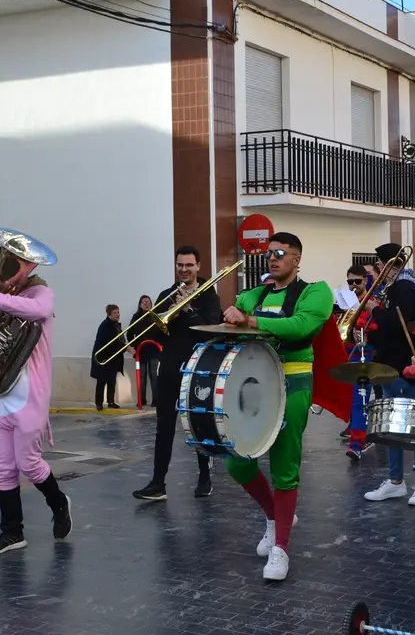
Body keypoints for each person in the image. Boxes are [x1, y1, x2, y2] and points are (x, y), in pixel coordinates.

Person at [221, 232, 334, 581]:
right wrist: (229, 316)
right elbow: (234, 326)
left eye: (281, 253)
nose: (273, 258)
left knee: (285, 466)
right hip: (254, 383)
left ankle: (281, 548)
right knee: (237, 461)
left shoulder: (316, 292)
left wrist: (251, 320)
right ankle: (275, 516)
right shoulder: (252, 295)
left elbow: (301, 327)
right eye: (269, 253)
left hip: (294, 380)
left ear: (297, 259)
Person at [0, 234, 72, 556]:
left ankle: (59, 503)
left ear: (29, 266)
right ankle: (12, 532)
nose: (6, 272)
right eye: (2, 265)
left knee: (29, 463)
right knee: (4, 468)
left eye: (13, 265)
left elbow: (39, 309)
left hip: (27, 395)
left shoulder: (40, 292)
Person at [133, 245, 221, 502]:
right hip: (170, 367)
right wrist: (164, 319)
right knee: (164, 427)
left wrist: (187, 310)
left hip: (196, 368)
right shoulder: (166, 294)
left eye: (189, 265)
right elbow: (152, 333)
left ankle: (204, 477)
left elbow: (211, 329)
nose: (184, 269)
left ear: (198, 267)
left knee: (198, 423)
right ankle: (157, 483)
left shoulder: (208, 294)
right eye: (180, 265)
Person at [364, 242, 415, 506]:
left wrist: (374, 309)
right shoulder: (397, 287)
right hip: (391, 365)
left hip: (405, 366)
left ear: (387, 264)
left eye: (380, 264)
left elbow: (395, 322)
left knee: (414, 428)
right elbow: (389, 330)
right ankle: (395, 482)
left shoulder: (404, 287)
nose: (379, 269)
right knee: (392, 427)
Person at [342, 264, 376, 460]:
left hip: (364, 354)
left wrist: (366, 334)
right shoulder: (344, 303)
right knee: (352, 400)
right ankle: (361, 436)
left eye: (357, 281)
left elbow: (378, 329)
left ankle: (357, 444)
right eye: (350, 282)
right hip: (347, 353)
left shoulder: (372, 303)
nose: (353, 285)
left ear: (365, 281)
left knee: (359, 400)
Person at [90, 304, 127, 410]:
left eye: (118, 312)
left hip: (113, 358)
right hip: (104, 358)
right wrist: (125, 347)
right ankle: (99, 403)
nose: (117, 314)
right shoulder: (106, 325)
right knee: (101, 381)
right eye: (115, 313)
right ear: (109, 314)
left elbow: (120, 339)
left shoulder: (116, 325)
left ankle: (111, 401)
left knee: (111, 380)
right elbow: (110, 341)